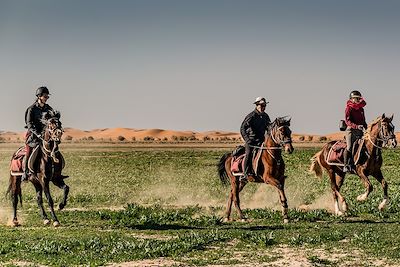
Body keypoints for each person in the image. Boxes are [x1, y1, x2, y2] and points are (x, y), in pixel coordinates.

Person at [21, 86, 54, 181]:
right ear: (39, 96)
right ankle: (25, 172)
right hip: (33, 135)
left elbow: (53, 119)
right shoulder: (31, 109)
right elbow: (29, 124)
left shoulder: (49, 108)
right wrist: (37, 134)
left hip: (45, 135)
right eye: (45, 96)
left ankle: (56, 172)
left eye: (48, 96)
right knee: (29, 151)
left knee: (54, 149)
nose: (46, 98)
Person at [240, 97, 271, 181]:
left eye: (264, 105)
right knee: (249, 154)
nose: (263, 107)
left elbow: (269, 128)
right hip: (251, 141)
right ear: (257, 105)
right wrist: (247, 139)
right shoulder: (251, 116)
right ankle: (245, 174)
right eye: (261, 105)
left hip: (261, 141)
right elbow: (242, 128)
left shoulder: (266, 116)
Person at [343, 90, 367, 173]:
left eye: (358, 98)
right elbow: (347, 121)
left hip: (360, 131)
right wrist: (356, 126)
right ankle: (346, 165)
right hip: (351, 131)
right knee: (349, 147)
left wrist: (366, 128)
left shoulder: (361, 109)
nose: (357, 100)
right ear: (351, 99)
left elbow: (363, 120)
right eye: (355, 98)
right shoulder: (349, 108)